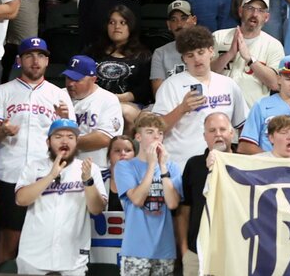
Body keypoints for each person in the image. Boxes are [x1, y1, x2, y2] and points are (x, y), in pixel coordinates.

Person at [0, 36, 73, 264]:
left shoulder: (59, 95)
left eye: (41, 55)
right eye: (30, 55)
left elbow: (70, 144)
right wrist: (3, 130)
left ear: (47, 61)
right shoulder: (1, 91)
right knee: (10, 239)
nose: (35, 60)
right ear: (19, 60)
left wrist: (64, 122)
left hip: (47, 176)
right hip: (11, 173)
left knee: (45, 240)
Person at [14, 120, 107, 276]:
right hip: (33, 256)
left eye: (70, 137)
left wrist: (87, 181)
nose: (64, 141)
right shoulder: (34, 166)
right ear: (48, 142)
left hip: (72, 258)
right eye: (58, 136)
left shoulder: (89, 169)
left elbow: (97, 209)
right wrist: (51, 176)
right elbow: (21, 200)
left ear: (76, 142)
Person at [150, 26, 247, 170]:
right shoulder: (171, 85)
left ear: (211, 51)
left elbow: (243, 125)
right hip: (180, 166)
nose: (196, 59)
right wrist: (181, 109)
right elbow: (156, 129)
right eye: (190, 55)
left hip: (222, 165)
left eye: (201, 52)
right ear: (183, 59)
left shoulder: (228, 84)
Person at [114, 113, 180, 276]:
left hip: (165, 250)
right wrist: (151, 166)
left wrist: (162, 167)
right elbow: (137, 199)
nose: (156, 137)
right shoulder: (125, 166)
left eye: (160, 133)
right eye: (150, 132)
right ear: (138, 137)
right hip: (136, 250)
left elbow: (172, 204)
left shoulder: (172, 167)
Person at [173, 112, 231, 276]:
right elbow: (184, 211)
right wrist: (185, 251)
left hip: (234, 252)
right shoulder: (194, 165)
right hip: (196, 253)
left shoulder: (246, 163)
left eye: (222, 129)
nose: (218, 134)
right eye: (212, 131)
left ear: (231, 133)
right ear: (205, 136)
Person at [209, 0, 283, 109]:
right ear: (240, 11)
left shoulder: (273, 45)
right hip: (218, 109)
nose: (254, 14)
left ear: (267, 17)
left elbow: (275, 84)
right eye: (250, 8)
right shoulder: (219, 37)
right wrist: (230, 54)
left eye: (260, 10)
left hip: (252, 113)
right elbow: (206, 72)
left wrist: (249, 59)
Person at [63, 54, 122, 168]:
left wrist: (63, 142)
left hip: (97, 169)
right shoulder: (58, 95)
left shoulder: (108, 100)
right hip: (62, 169)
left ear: (93, 79)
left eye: (76, 79)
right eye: (68, 78)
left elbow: (103, 138)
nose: (70, 84)